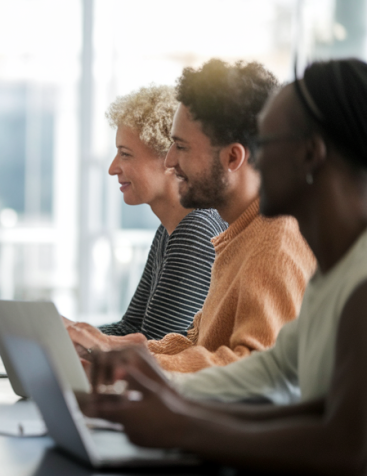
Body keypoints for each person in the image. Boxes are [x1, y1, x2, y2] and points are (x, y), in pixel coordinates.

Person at [84, 59, 367, 476]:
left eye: (263, 142)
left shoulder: (349, 279)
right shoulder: (330, 273)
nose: (254, 159)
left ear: (309, 155)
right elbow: (279, 376)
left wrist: (178, 424)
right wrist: (152, 388)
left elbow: (345, 449)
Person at [71, 60, 315, 373]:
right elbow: (198, 343)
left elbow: (256, 368)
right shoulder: (240, 235)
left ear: (232, 157)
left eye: (181, 147)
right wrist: (108, 348)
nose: (170, 161)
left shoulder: (274, 243)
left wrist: (128, 363)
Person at [63, 85, 226, 346]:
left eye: (125, 154)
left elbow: (158, 348)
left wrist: (77, 339)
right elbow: (131, 328)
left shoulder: (196, 229)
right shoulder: (169, 230)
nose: (112, 168)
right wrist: (70, 332)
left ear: (169, 158)